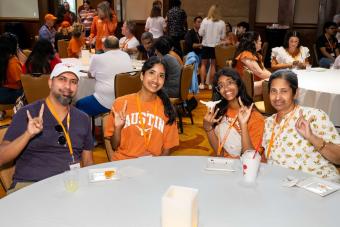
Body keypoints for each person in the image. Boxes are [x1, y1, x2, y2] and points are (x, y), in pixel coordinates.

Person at [0, 63, 94, 192]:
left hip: (70, 185)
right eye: (62, 79)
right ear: (50, 83)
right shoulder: (27, 113)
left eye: (73, 82)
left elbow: (88, 161)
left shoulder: (83, 118)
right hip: (31, 186)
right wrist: (28, 134)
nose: (68, 86)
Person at [262, 69, 340, 181]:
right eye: (273, 91)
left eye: (284, 91)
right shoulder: (267, 123)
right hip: (283, 186)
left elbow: (338, 158)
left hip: (318, 184)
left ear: (296, 93)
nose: (277, 97)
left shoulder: (313, 116)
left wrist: (312, 137)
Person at [104, 56, 179, 161]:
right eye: (151, 73)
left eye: (161, 76)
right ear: (142, 76)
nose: (156, 80)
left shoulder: (167, 109)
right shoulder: (121, 103)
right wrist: (118, 128)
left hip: (152, 166)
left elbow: (166, 150)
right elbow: (114, 146)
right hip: (124, 164)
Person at [203, 68, 264, 158]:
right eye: (221, 85)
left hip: (248, 166)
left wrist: (243, 125)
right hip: (225, 163)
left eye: (230, 82)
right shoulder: (218, 113)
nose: (226, 88)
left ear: (238, 84)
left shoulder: (254, 116)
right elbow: (219, 152)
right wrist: (208, 128)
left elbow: (251, 158)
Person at [76, 36, 133, 116]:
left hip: (105, 101)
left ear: (103, 46)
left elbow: (90, 75)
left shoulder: (97, 58)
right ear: (118, 45)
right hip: (125, 99)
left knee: (79, 104)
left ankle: (85, 127)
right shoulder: (126, 55)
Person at [233, 31, 271, 96]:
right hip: (243, 87)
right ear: (254, 42)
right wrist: (276, 77)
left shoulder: (257, 55)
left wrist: (275, 76)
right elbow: (260, 73)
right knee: (272, 83)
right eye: (259, 41)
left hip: (253, 83)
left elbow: (264, 70)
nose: (261, 43)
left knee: (275, 82)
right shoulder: (246, 55)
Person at [198, 5, 226, 90]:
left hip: (206, 45)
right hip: (216, 46)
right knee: (213, 65)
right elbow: (223, 36)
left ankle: (202, 84)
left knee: (203, 64)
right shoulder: (222, 22)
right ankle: (210, 84)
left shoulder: (205, 21)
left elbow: (200, 33)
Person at [0, 33, 23, 120]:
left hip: (2, 92)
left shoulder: (3, 58)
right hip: (9, 94)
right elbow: (21, 82)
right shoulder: (13, 61)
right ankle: (19, 113)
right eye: (17, 44)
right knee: (28, 90)